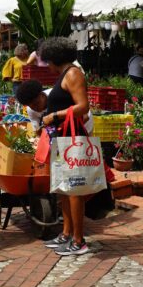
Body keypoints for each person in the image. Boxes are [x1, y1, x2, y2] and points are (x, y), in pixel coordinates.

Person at [36, 37, 94, 256]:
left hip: (72, 139)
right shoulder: (65, 74)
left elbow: (83, 107)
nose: (47, 66)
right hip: (62, 138)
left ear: (55, 58)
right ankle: (67, 233)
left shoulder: (73, 74)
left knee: (74, 190)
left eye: (48, 61)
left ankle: (79, 240)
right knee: (63, 189)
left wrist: (54, 115)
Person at [15, 79, 94, 134]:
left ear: (42, 94)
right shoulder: (31, 111)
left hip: (83, 125)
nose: (36, 108)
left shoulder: (58, 95)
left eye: (36, 103)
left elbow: (84, 116)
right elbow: (38, 130)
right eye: (31, 106)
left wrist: (61, 126)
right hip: (62, 133)